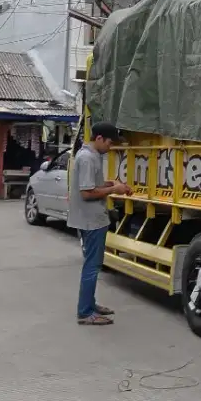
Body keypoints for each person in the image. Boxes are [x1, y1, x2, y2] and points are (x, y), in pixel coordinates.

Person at [69, 122, 130, 325]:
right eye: (109, 143)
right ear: (99, 138)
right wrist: (114, 190)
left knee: (92, 265)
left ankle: (89, 304)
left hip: (93, 218)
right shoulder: (87, 158)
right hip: (91, 220)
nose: (110, 147)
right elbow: (87, 193)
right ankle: (86, 312)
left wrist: (111, 184)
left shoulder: (91, 156)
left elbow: (92, 185)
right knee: (92, 266)